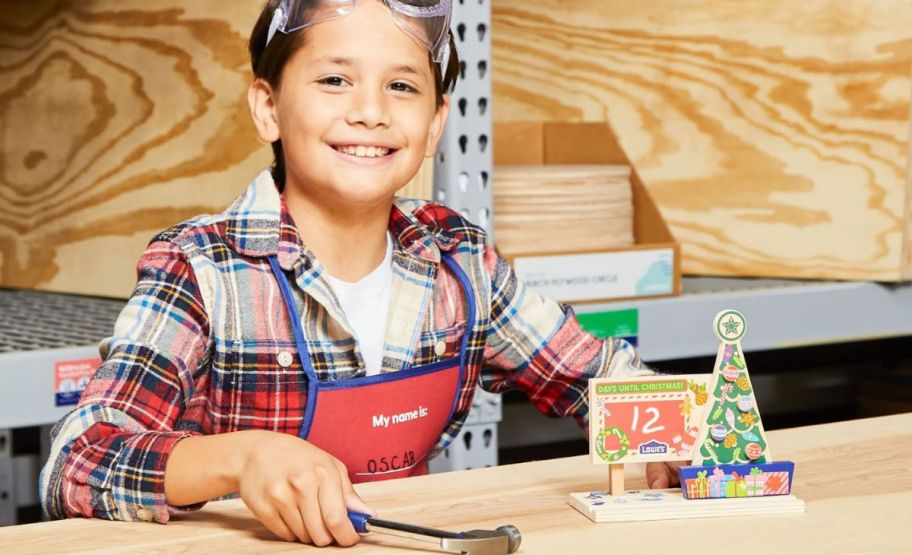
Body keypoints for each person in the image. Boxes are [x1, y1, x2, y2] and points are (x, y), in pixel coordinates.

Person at [40, 0, 681, 547]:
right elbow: (77, 460)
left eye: (401, 86)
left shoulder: (458, 260)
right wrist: (241, 458)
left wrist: (686, 435)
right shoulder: (202, 270)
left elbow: (595, 379)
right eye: (334, 81)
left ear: (434, 124)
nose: (370, 111)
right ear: (267, 108)